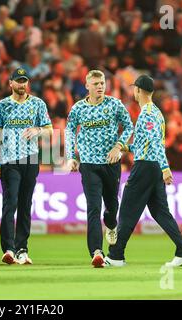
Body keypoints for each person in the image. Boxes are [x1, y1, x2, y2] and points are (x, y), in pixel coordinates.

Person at [106, 75, 182, 268]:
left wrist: (165, 168)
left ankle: (116, 255)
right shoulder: (155, 112)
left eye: (134, 89)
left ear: (138, 90)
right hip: (151, 165)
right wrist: (123, 148)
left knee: (129, 207)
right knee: (160, 211)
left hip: (146, 166)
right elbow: (143, 144)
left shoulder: (147, 114)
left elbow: (156, 144)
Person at [65, 69, 134, 268]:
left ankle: (111, 225)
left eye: (102, 83)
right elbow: (69, 131)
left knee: (112, 207)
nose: (100, 87)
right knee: (93, 208)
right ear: (87, 86)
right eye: (96, 84)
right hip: (88, 165)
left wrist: (118, 146)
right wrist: (71, 157)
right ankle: (96, 252)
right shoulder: (78, 109)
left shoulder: (114, 104)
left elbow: (129, 126)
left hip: (111, 164)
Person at [0, 68, 53, 265]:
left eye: (24, 81)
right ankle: (8, 249)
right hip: (9, 161)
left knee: (25, 204)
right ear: (10, 83)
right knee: (10, 203)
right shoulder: (2, 106)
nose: (21, 84)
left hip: (30, 159)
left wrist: (37, 130)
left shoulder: (37, 104)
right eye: (18, 81)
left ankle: (22, 249)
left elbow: (49, 130)